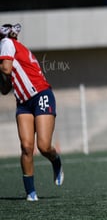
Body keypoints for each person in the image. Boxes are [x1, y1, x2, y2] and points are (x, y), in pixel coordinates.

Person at [0, 24, 64, 201]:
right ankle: (31, 193)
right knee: (26, 147)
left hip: (41, 94)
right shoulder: (8, 51)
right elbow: (5, 89)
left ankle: (56, 160)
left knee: (43, 146)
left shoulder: (6, 43)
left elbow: (5, 68)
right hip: (23, 102)